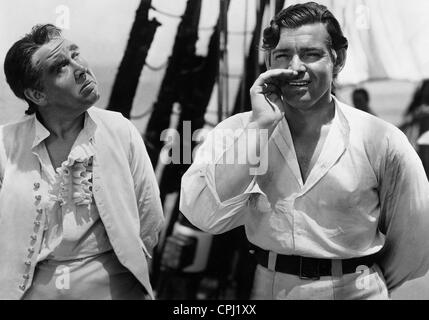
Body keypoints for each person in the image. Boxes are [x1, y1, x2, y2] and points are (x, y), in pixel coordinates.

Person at [180, 2, 429, 300]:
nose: (295, 67)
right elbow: (204, 215)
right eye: (283, 55)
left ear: (338, 60)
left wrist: (358, 276)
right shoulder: (236, 133)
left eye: (311, 54)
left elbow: (415, 242)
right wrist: (261, 125)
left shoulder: (382, 140)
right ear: (269, 61)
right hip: (270, 289)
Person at [0, 24, 164, 300]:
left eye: (76, 54)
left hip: (116, 288)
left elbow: (149, 215)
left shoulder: (119, 130)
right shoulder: (5, 145)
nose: (80, 68)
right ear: (37, 95)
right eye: (60, 66)